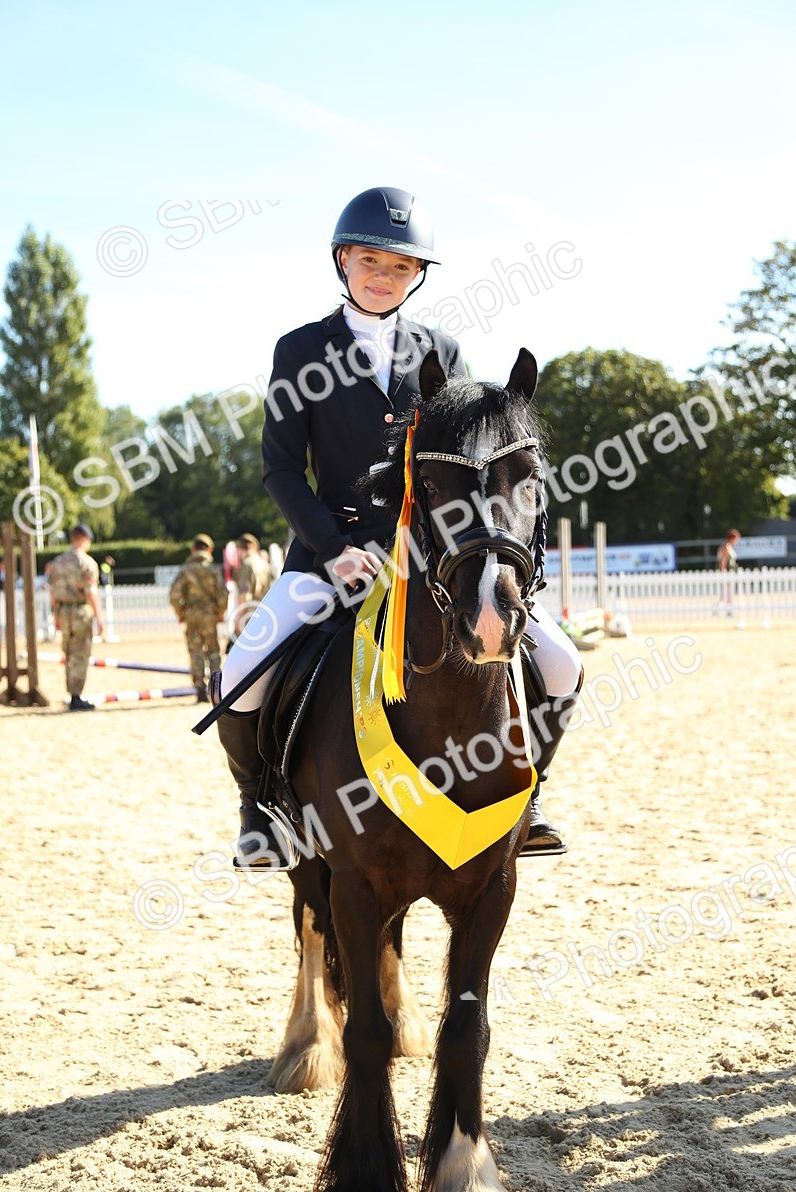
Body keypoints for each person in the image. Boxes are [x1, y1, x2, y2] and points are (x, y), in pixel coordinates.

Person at [215, 186, 581, 871]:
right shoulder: (301, 350)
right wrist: (333, 550)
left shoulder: (442, 348)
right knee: (240, 676)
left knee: (562, 664)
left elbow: (472, 463)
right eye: (371, 262)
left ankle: (528, 801)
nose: (384, 276)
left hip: (435, 555)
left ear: (417, 275)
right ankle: (259, 810)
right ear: (342, 261)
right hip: (331, 552)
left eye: (401, 266)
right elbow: (281, 469)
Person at [48, 523, 103, 712]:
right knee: (80, 653)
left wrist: (55, 615)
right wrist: (99, 618)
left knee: (69, 652)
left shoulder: (57, 562)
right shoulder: (87, 563)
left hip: (63, 611)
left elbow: (53, 593)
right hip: (80, 612)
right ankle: (76, 696)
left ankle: (71, 692)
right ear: (85, 539)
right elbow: (91, 593)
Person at [170, 534, 227, 702]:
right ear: (209, 549)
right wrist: (220, 612)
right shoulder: (213, 569)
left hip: (191, 615)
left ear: (193, 549)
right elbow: (223, 594)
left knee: (195, 650)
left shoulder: (185, 570)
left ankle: (199, 687)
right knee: (213, 650)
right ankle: (216, 688)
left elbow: (174, 595)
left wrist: (181, 613)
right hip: (209, 615)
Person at [231, 534, 273, 634]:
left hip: (250, 615)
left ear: (240, 549)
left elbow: (245, 595)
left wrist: (239, 618)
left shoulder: (246, 566)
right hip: (264, 612)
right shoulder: (265, 565)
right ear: (255, 547)